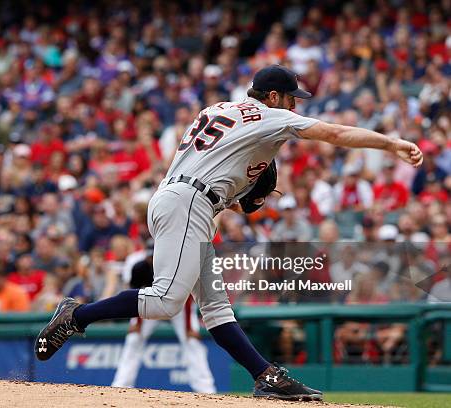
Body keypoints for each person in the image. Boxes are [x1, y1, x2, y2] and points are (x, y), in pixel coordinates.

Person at [34, 65, 423, 400]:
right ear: (273, 96)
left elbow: (213, 169)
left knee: (216, 308)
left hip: (179, 198)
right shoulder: (271, 116)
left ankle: (265, 376)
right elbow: (334, 134)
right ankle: (77, 315)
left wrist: (235, 197)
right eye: (291, 98)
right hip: (189, 203)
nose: (295, 106)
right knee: (167, 300)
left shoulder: (215, 109)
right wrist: (391, 143)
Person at [111, 242, 216, 393]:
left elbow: (186, 297)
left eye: (154, 255)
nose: (152, 259)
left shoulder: (178, 266)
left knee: (192, 341)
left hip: (178, 304)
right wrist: (137, 322)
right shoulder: (140, 268)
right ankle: (121, 385)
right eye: (149, 255)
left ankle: (206, 389)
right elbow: (136, 296)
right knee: (134, 338)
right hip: (150, 301)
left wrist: (188, 327)